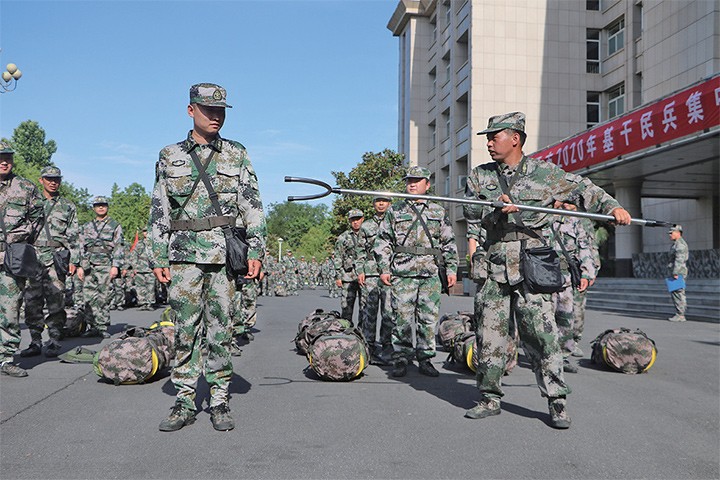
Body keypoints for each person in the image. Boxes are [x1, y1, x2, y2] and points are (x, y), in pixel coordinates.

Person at [462, 112, 631, 429]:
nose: (488, 142)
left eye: (493, 136)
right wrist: (494, 206)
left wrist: (612, 207)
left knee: (543, 337)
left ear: (515, 138)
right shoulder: (479, 176)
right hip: (494, 262)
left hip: (533, 262)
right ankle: (489, 397)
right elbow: (471, 211)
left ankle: (557, 401)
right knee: (490, 337)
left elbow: (584, 189)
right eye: (487, 137)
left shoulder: (546, 173)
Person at [150, 83, 266, 432]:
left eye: (221, 111)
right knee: (185, 329)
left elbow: (252, 204)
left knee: (221, 330)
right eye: (208, 110)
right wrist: (158, 255)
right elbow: (158, 208)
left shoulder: (237, 153)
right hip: (183, 254)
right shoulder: (169, 155)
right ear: (191, 111)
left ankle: (218, 400)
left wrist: (257, 249)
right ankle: (184, 399)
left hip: (223, 254)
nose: (216, 116)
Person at [374, 166, 458, 377]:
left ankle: (426, 358)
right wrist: (384, 268)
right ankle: (401, 358)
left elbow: (448, 242)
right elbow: (383, 241)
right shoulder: (396, 210)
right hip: (402, 273)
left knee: (427, 319)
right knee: (401, 319)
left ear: (427, 185)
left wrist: (452, 269)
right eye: (409, 180)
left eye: (417, 180)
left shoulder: (438, 211)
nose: (412, 183)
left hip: (430, 273)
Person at [22, 166, 80, 358]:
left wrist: (75, 260)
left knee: (57, 301)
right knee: (32, 301)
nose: (53, 182)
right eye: (49, 179)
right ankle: (35, 341)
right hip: (33, 257)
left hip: (57, 257)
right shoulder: (31, 203)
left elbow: (74, 235)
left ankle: (54, 340)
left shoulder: (68, 206)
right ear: (41, 180)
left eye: (56, 179)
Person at [0, 142, 44, 377]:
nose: (3, 161)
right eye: (0, 157)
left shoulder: (26, 187)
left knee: (9, 310)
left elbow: (37, 218)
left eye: (7, 157)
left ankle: (6, 358)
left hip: (12, 257)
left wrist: (21, 241)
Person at [549, 202, 598, 373]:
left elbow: (584, 247)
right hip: (541, 276)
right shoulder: (540, 215)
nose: (564, 204)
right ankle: (543, 357)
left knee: (565, 318)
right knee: (543, 320)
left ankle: (562, 357)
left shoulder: (574, 221)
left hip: (565, 277)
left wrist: (586, 273)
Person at [76, 196, 124, 338]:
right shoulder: (87, 226)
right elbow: (80, 246)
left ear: (107, 207)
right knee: (89, 297)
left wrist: (116, 266)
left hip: (106, 264)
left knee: (104, 296)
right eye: (97, 205)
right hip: (89, 265)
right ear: (94, 208)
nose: (100, 207)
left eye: (103, 205)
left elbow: (119, 246)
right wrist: (79, 265)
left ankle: (102, 326)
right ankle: (92, 326)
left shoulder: (114, 225)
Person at [356, 196, 394, 365]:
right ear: (373, 204)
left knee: (388, 312)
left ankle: (387, 345)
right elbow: (359, 250)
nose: (380, 204)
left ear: (389, 204)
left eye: (384, 201)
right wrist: (360, 270)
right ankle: (369, 345)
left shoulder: (395, 222)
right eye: (378, 201)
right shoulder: (366, 226)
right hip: (370, 271)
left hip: (390, 272)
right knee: (369, 312)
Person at [334, 210, 364, 322]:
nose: (355, 222)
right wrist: (338, 276)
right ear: (349, 221)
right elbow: (338, 257)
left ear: (362, 219)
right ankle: (346, 331)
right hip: (348, 276)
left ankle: (362, 332)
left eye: (358, 219)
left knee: (365, 307)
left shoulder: (368, 234)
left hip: (364, 275)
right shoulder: (343, 237)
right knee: (346, 306)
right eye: (353, 220)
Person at [128, 229, 155, 311]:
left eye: (147, 231)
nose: (145, 233)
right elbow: (133, 255)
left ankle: (150, 303)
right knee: (140, 287)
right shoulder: (139, 243)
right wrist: (134, 267)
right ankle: (142, 303)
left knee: (150, 287)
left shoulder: (154, 243)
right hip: (140, 268)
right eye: (144, 231)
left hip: (151, 269)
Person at [667, 224, 688, 322]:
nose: (670, 235)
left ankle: (680, 314)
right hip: (675, 271)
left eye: (672, 233)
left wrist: (675, 272)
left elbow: (679, 260)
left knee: (678, 292)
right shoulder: (676, 243)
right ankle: (679, 313)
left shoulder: (680, 245)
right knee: (675, 292)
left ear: (678, 233)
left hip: (678, 272)